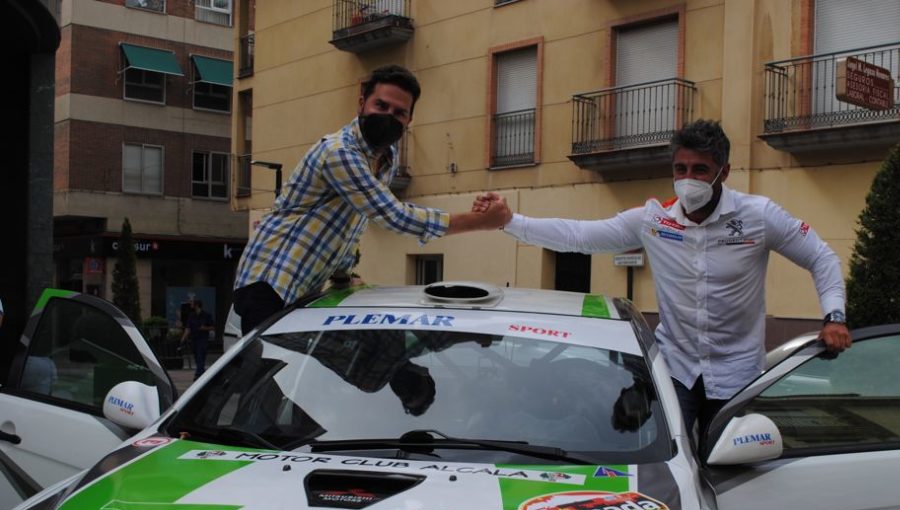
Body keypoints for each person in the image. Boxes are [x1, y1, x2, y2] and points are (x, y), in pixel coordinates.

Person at [475, 119, 851, 438]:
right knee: (665, 464)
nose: (688, 179)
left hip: (738, 373)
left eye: (700, 170)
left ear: (724, 172)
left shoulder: (759, 216)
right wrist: (510, 221)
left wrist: (834, 317)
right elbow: (580, 235)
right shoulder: (654, 221)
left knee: (728, 470)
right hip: (676, 370)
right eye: (680, 169)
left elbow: (821, 257)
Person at [232, 64, 511, 335]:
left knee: (373, 367)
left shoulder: (385, 158)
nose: (389, 116)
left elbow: (350, 225)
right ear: (362, 103)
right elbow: (393, 216)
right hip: (269, 285)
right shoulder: (339, 152)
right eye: (381, 106)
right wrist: (480, 221)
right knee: (265, 378)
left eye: (399, 112)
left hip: (304, 291)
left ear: (409, 120)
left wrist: (343, 276)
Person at [180, 299, 214, 378]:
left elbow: (212, 327)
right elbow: (188, 328)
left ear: (197, 305)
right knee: (197, 357)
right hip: (194, 339)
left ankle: (198, 375)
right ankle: (202, 373)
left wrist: (204, 328)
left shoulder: (206, 315)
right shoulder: (192, 316)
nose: (191, 306)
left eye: (192, 304)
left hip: (203, 339)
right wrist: (183, 339)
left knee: (200, 356)